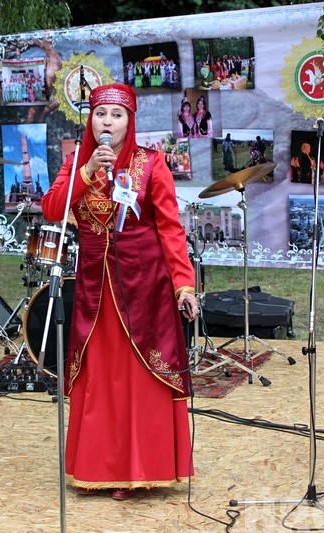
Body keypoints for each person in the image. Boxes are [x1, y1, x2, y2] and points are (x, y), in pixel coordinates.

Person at [41, 83, 199, 500]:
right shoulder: (77, 162)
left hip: (144, 284)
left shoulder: (151, 163)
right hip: (95, 288)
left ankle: (139, 468)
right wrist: (88, 170)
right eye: (100, 115)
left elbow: (169, 227)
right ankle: (99, 466)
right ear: (89, 120)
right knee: (101, 376)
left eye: (116, 115)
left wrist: (183, 284)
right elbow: (53, 209)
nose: (107, 122)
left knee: (138, 377)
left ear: (130, 122)